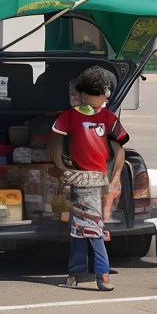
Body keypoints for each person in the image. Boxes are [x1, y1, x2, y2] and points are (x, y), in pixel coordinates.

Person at [47, 66, 128, 293]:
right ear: (100, 94)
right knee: (88, 227)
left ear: (81, 94)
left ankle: (81, 272)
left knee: (84, 227)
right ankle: (95, 274)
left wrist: (62, 166)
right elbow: (120, 146)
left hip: (82, 180)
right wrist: (115, 175)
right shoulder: (108, 117)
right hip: (97, 180)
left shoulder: (68, 116)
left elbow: (53, 144)